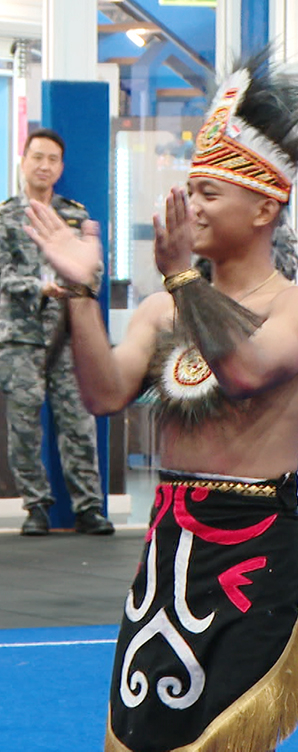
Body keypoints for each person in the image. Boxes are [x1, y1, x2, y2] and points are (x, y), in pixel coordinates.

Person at [23, 52, 298, 751]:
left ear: (265, 207)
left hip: (252, 545)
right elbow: (103, 393)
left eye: (209, 193)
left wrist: (181, 280)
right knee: (146, 731)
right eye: (190, 190)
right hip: (169, 549)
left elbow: (245, 370)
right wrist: (81, 291)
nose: (191, 206)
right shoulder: (163, 307)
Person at [0, 129, 113, 536]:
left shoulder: (75, 216)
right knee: (24, 428)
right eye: (37, 157)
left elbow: (94, 271)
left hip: (68, 336)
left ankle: (89, 508)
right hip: (21, 336)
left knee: (78, 423)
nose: (44, 166)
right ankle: (36, 507)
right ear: (23, 161)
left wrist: (80, 283)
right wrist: (38, 286)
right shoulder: (5, 216)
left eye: (52, 159)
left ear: (61, 167)